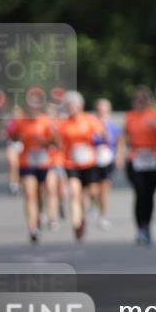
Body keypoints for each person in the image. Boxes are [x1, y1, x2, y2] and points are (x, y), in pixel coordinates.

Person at [56, 91, 106, 241]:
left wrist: (101, 137)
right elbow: (58, 144)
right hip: (71, 163)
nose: (71, 108)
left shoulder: (90, 120)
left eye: (74, 105)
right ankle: (76, 224)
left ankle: (84, 216)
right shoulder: (63, 124)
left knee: (92, 193)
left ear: (80, 106)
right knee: (74, 193)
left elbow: (102, 135)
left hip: (89, 163)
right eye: (68, 105)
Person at [124, 87, 156, 245]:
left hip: (153, 158)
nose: (141, 102)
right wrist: (119, 155)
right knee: (139, 193)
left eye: (144, 99)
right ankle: (140, 227)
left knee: (149, 195)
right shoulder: (130, 116)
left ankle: (147, 225)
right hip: (136, 158)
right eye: (138, 99)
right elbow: (124, 138)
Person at [9, 93, 55, 243]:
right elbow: (14, 137)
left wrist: (45, 141)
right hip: (27, 162)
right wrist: (16, 137)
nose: (33, 107)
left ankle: (39, 215)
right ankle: (32, 226)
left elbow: (54, 142)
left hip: (43, 162)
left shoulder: (46, 121)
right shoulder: (21, 121)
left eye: (36, 104)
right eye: (31, 104)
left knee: (40, 193)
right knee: (29, 194)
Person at [90, 98, 125, 231]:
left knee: (105, 189)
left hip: (108, 161)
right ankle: (93, 202)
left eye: (105, 111)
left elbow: (121, 142)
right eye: (99, 111)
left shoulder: (114, 127)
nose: (102, 114)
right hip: (92, 161)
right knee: (93, 190)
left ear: (109, 112)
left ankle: (102, 217)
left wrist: (119, 157)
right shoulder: (91, 125)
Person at [4, 106, 24, 195]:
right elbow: (8, 134)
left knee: (20, 166)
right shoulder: (11, 123)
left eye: (18, 113)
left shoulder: (24, 122)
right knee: (13, 165)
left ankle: (19, 184)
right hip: (12, 145)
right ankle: (13, 185)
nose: (16, 115)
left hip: (22, 146)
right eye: (14, 113)